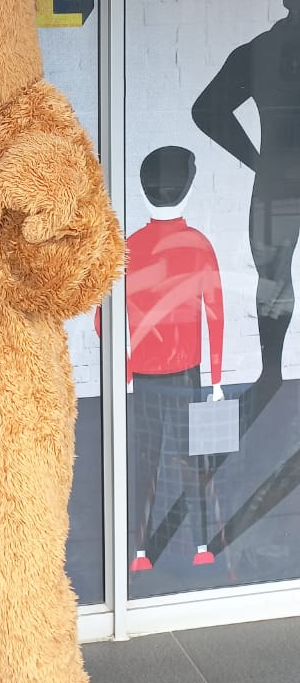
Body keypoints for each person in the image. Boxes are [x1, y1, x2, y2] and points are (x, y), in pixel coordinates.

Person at [101, 146, 225, 571]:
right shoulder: (199, 245)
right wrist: (216, 378)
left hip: (144, 377)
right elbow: (216, 315)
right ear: (189, 189)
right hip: (188, 375)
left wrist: (126, 367)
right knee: (195, 461)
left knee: (145, 460)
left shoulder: (130, 248)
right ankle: (202, 545)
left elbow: (103, 320)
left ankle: (139, 553)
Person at [192, 0, 300, 401]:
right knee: (272, 277)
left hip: (275, 177)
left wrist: (257, 161)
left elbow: (207, 110)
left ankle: (272, 372)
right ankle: (271, 372)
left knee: (273, 276)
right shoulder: (259, 50)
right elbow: (207, 110)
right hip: (274, 176)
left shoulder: (260, 50)